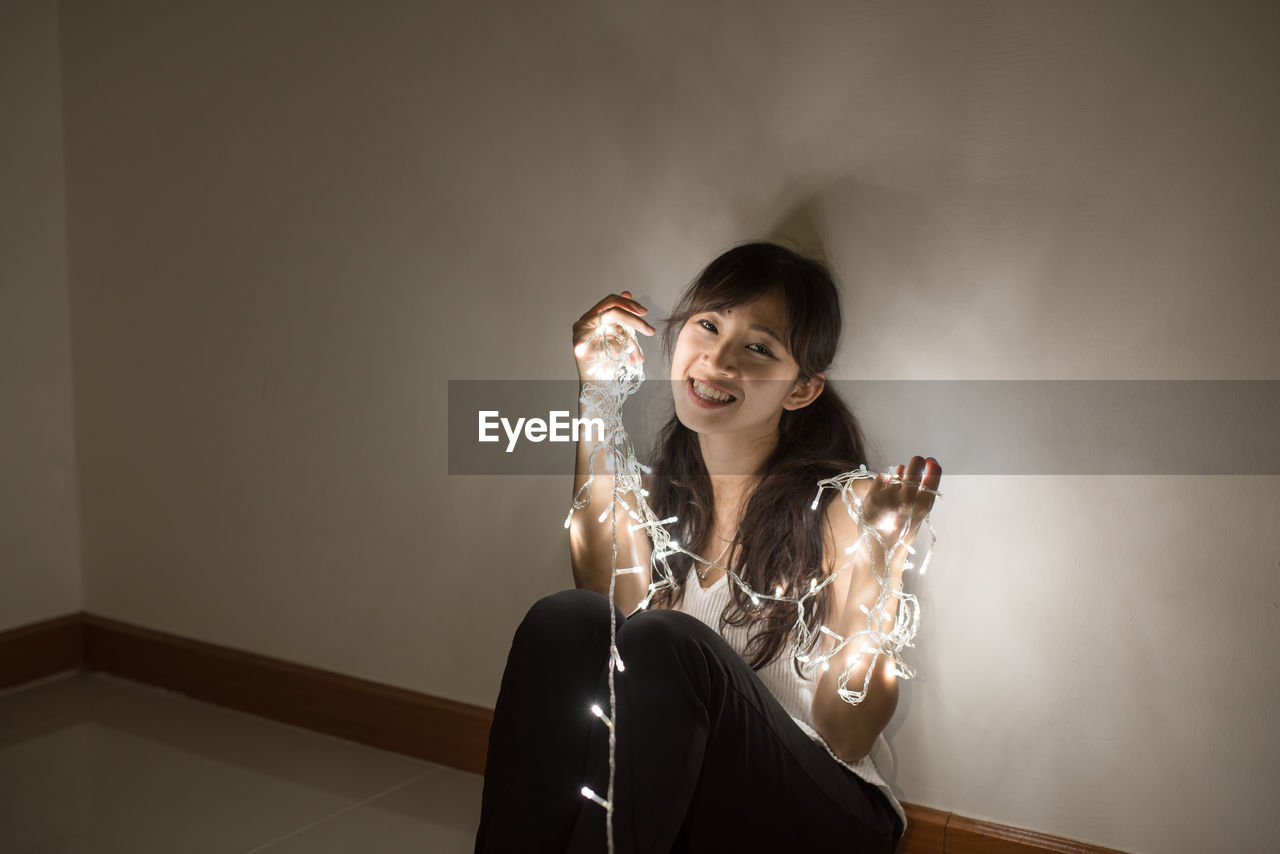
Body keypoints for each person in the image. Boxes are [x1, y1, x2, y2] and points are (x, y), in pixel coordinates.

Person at [475, 241, 940, 853]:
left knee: (669, 640)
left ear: (801, 390)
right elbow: (605, 611)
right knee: (566, 617)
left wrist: (884, 555)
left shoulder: (847, 506)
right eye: (708, 325)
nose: (717, 359)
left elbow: (846, 734)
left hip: (822, 814)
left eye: (758, 347)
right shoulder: (659, 495)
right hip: (685, 790)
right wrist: (596, 392)